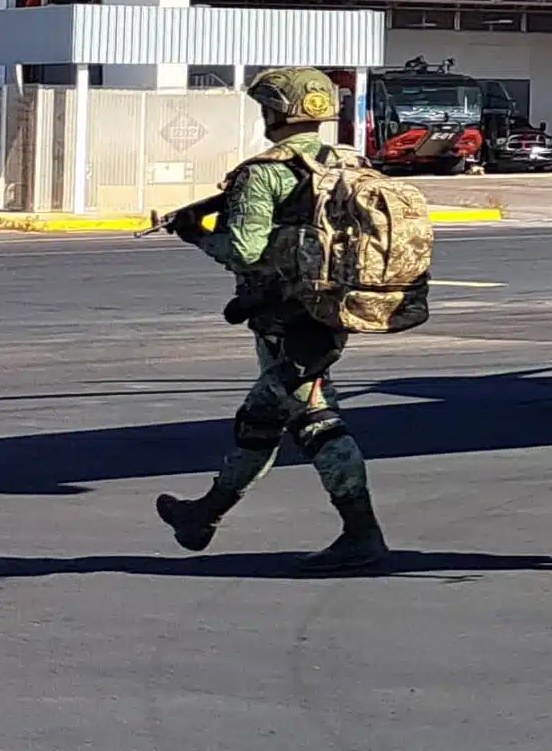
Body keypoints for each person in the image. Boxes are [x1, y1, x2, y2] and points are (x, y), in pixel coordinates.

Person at [155, 66, 391, 574]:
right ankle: (204, 514)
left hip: (287, 318)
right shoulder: (350, 162)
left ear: (276, 112)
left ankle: (362, 534)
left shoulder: (264, 171)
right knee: (267, 419)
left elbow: (243, 249)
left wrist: (195, 234)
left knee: (314, 419)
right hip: (332, 310)